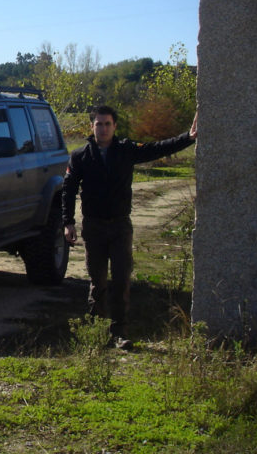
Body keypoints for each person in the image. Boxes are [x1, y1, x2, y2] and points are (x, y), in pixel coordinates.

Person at [61, 105, 197, 349]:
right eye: (98, 124)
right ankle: (98, 333)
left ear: (115, 126)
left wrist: (188, 138)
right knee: (97, 281)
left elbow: (158, 148)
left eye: (107, 124)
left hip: (120, 226)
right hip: (94, 227)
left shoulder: (126, 150)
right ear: (92, 127)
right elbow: (68, 190)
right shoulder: (80, 156)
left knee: (122, 279)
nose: (103, 128)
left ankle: (119, 333)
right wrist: (68, 222)